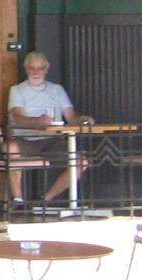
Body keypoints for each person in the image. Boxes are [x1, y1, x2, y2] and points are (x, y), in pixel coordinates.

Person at [5, 51, 94, 208]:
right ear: (26, 70)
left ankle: (46, 199)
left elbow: (71, 117)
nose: (36, 72)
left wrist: (83, 119)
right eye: (32, 68)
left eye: (40, 68)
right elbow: (18, 117)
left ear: (46, 70)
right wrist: (37, 121)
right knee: (11, 148)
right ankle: (17, 199)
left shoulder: (57, 90)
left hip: (52, 141)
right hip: (25, 140)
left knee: (81, 162)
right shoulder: (17, 90)